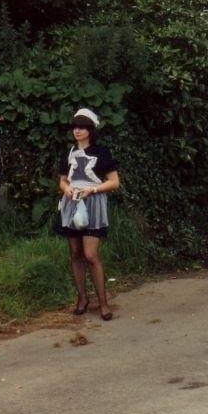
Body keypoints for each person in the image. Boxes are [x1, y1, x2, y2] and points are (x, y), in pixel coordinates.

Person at [55, 108, 120, 321]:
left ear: (90, 129)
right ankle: (82, 298)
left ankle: (103, 302)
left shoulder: (102, 152)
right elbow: (63, 179)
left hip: (93, 203)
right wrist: (65, 189)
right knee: (75, 254)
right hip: (71, 203)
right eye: (75, 127)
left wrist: (92, 189)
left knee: (91, 255)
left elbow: (114, 181)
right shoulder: (69, 153)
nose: (77, 130)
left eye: (82, 127)